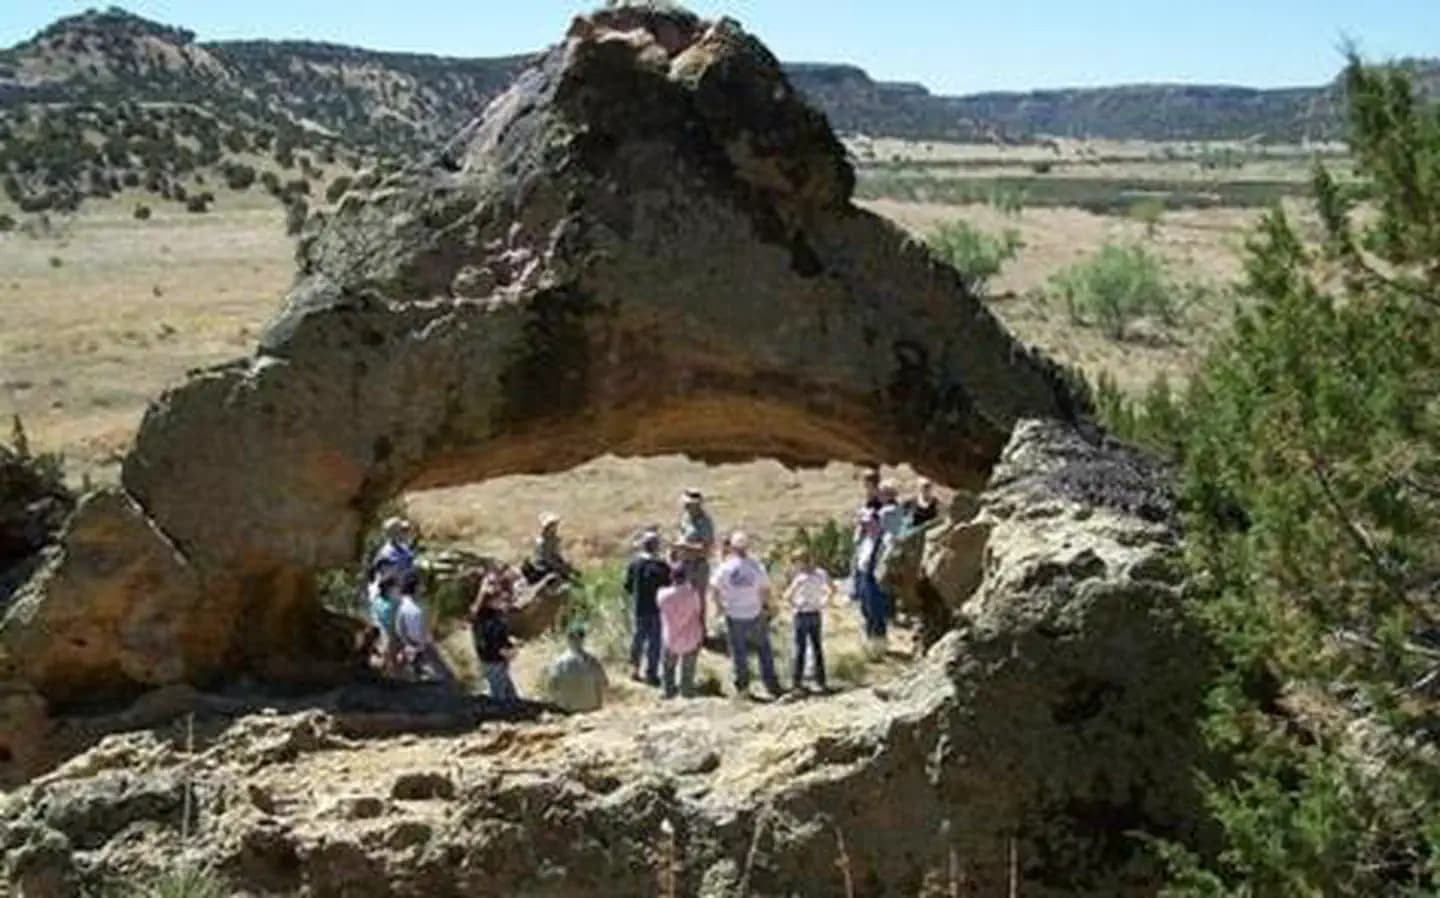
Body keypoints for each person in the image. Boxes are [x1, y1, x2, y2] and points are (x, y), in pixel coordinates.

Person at [710, 531, 783, 698]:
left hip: (734, 614)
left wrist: (720, 606)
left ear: (732, 548)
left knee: (739, 654)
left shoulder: (726, 567)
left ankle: (743, 688)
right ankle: (771, 685)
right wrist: (769, 607)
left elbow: (713, 587)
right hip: (754, 612)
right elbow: (765, 589)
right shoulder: (756, 566)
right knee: (764, 650)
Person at [624, 531, 671, 685]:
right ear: (656, 547)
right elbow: (668, 587)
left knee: (638, 638)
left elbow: (628, 587)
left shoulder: (635, 564)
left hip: (640, 607)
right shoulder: (662, 566)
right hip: (657, 608)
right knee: (654, 642)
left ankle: (634, 668)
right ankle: (652, 673)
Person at [784, 549, 833, 692]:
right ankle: (821, 681)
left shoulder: (801, 578)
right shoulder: (821, 574)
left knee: (801, 649)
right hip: (816, 613)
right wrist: (824, 602)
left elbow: (787, 596)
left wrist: (796, 604)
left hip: (802, 614)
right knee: (817, 648)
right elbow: (833, 589)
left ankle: (797, 683)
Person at [394, 569, 455, 684]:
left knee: (417, 667)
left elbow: (400, 627)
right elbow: (426, 626)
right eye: (420, 585)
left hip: (413, 643)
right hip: (423, 643)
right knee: (443, 671)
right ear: (415, 587)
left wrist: (407, 642)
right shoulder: (421, 606)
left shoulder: (403, 605)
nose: (422, 587)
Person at [470, 570, 519, 702]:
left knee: (510, 696)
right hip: (493, 661)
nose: (502, 600)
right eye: (499, 598)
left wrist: (509, 646)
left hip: (495, 661)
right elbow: (487, 642)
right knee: (499, 699)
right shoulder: (486, 618)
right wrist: (505, 651)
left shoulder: (491, 615)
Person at [657, 563, 704, 698]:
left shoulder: (662, 594)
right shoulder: (693, 594)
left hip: (670, 637)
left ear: (671, 577)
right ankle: (686, 691)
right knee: (688, 669)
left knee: (668, 668)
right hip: (690, 636)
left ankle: (668, 691)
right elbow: (698, 610)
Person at [676, 489, 716, 634]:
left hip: (698, 565)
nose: (686, 507)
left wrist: (685, 546)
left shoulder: (705, 522)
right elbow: (681, 533)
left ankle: (700, 631)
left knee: (698, 600)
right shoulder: (685, 517)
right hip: (684, 563)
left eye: (689, 504)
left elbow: (707, 548)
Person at [544, 622, 608, 712]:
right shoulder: (592, 661)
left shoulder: (559, 662)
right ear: (583, 638)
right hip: (591, 707)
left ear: (568, 638)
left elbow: (551, 687)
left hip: (567, 708)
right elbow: (604, 683)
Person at [852, 509, 891, 656]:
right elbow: (859, 558)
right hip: (863, 575)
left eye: (870, 523)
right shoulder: (865, 540)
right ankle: (870, 642)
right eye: (865, 524)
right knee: (866, 610)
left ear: (877, 522)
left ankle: (879, 646)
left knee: (877, 611)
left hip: (876, 578)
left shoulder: (885, 539)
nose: (867, 526)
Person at [525, 513, 579, 584]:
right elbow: (547, 559)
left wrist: (567, 566)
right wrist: (560, 567)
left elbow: (557, 555)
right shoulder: (543, 542)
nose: (556, 527)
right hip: (543, 567)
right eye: (553, 525)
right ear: (548, 527)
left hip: (552, 564)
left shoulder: (554, 539)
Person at [368, 571, 401, 676]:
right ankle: (390, 674)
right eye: (396, 587)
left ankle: (386, 672)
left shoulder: (377, 601)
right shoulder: (392, 604)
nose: (398, 589)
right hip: (389, 635)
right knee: (390, 655)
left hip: (380, 635)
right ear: (389, 589)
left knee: (386, 655)